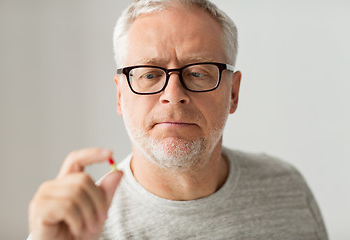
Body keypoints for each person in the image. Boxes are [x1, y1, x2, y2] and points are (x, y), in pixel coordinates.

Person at [28, 0, 328, 239]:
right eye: (149, 74)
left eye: (198, 72)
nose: (174, 94)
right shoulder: (75, 227)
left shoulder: (286, 187)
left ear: (233, 93)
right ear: (120, 96)